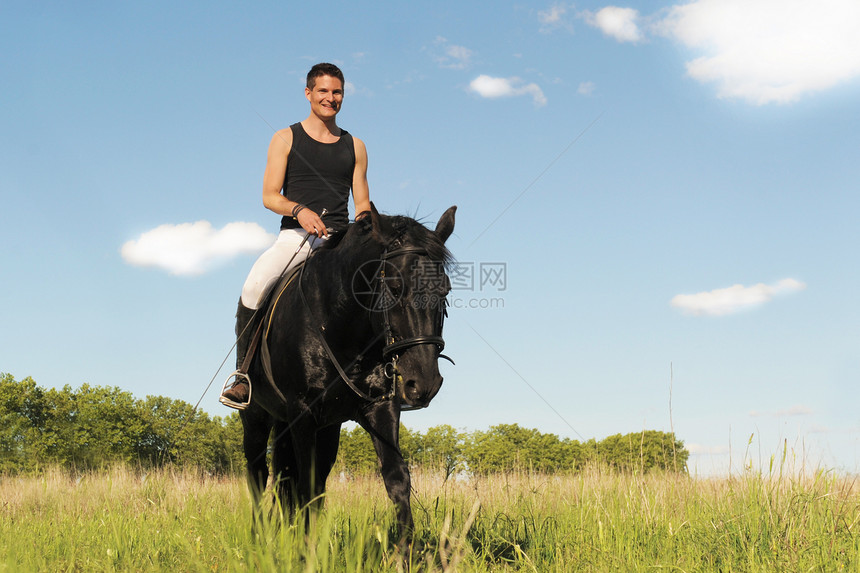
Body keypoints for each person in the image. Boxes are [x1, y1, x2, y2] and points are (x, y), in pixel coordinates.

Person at [220, 62, 371, 409]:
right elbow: (270, 196)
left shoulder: (356, 146)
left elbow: (361, 202)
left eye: (337, 92)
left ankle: (383, 372)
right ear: (308, 93)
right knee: (254, 285)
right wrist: (300, 210)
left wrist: (365, 226)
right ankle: (244, 375)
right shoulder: (285, 137)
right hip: (296, 238)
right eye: (323, 91)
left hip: (341, 242)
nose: (330, 98)